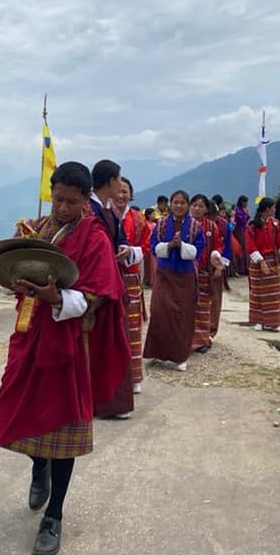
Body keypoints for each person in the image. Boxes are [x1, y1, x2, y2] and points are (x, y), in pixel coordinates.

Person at [0, 162, 129, 555]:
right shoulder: (40, 228)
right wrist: (13, 279)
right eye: (58, 199)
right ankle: (38, 467)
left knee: (65, 428)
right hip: (29, 336)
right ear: (50, 193)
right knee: (25, 410)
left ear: (87, 200)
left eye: (72, 202)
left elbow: (100, 295)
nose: (64, 208)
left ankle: (54, 516)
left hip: (70, 343)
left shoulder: (95, 238)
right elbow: (13, 275)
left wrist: (56, 298)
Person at [88, 160, 137, 420]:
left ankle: (111, 401)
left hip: (112, 279)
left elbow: (119, 240)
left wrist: (124, 249)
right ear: (109, 181)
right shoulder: (90, 210)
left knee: (114, 342)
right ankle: (105, 402)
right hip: (100, 286)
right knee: (105, 344)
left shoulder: (106, 210)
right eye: (118, 179)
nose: (121, 185)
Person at [144, 190, 205, 371]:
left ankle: (180, 356)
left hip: (185, 275)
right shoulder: (161, 224)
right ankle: (157, 351)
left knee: (183, 315)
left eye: (182, 203)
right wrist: (170, 245)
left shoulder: (194, 226)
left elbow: (199, 250)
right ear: (170, 204)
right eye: (175, 202)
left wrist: (182, 246)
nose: (178, 206)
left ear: (187, 205)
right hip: (164, 274)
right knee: (159, 309)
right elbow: (153, 246)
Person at [115, 178, 151, 394]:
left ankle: (134, 377)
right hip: (107, 277)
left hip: (129, 277)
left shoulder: (137, 219)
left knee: (132, 328)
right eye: (118, 191)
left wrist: (131, 253)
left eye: (125, 191)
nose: (121, 195)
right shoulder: (103, 216)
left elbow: (145, 246)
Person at [246, 197, 280, 331]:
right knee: (258, 292)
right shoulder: (252, 225)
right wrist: (260, 261)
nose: (275, 209)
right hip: (257, 262)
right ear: (267, 209)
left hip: (272, 261)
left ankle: (272, 322)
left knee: (273, 292)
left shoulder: (275, 224)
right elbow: (250, 246)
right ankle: (259, 321)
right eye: (273, 207)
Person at [189, 194, 227, 352]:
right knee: (187, 306)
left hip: (204, 271)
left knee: (203, 306)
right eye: (195, 205)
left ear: (205, 209)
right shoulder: (183, 224)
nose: (197, 209)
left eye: (201, 206)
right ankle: (185, 339)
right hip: (186, 272)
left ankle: (202, 340)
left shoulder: (212, 227)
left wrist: (216, 257)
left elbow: (218, 245)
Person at [231, 195, 250, 275]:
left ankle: (246, 267)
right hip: (239, 230)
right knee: (241, 248)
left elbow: (248, 218)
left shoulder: (244, 209)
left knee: (246, 248)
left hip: (245, 230)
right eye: (245, 202)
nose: (246, 204)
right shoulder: (237, 210)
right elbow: (241, 221)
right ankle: (240, 268)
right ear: (242, 202)